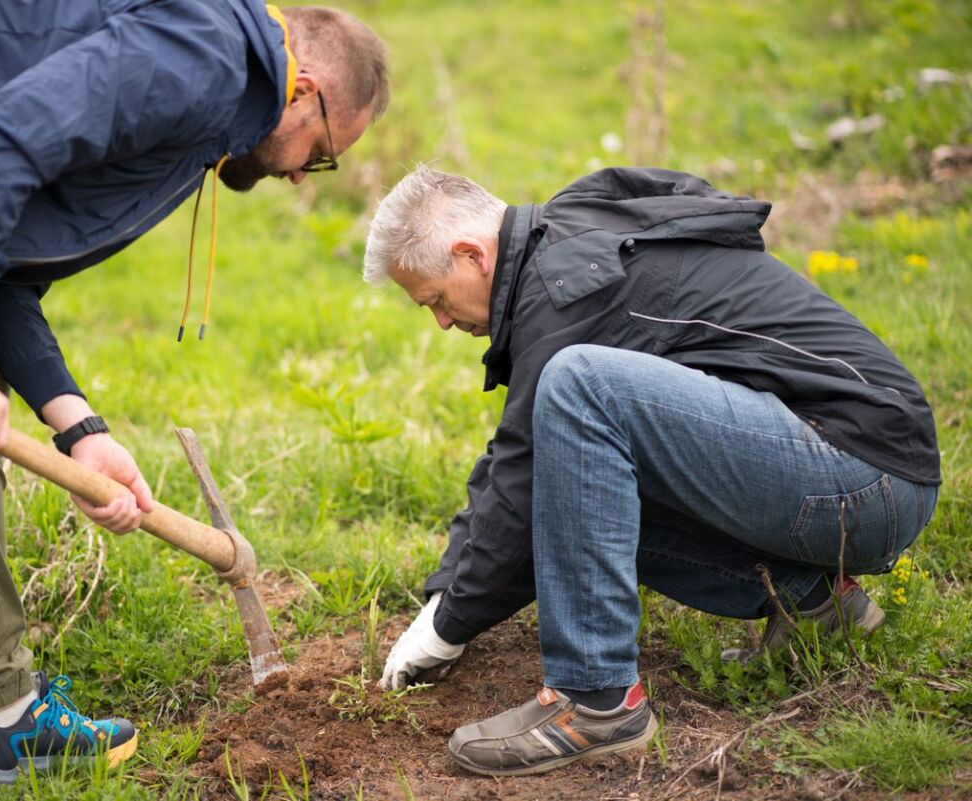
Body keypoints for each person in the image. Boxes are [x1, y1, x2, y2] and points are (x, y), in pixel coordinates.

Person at [0, 2, 388, 799]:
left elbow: (7, 255)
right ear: (305, 92)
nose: (305, 175)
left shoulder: (213, 96)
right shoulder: (207, 56)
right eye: (324, 152)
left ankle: (5, 713)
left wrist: (79, 428)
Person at [363, 165, 939, 777]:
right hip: (843, 471)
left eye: (436, 300)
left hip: (863, 479)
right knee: (577, 458)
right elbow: (519, 454)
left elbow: (521, 479)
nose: (444, 323)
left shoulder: (568, 284)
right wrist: (446, 595)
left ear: (470, 254)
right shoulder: (566, 249)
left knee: (581, 385)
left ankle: (596, 698)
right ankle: (814, 603)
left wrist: (447, 628)